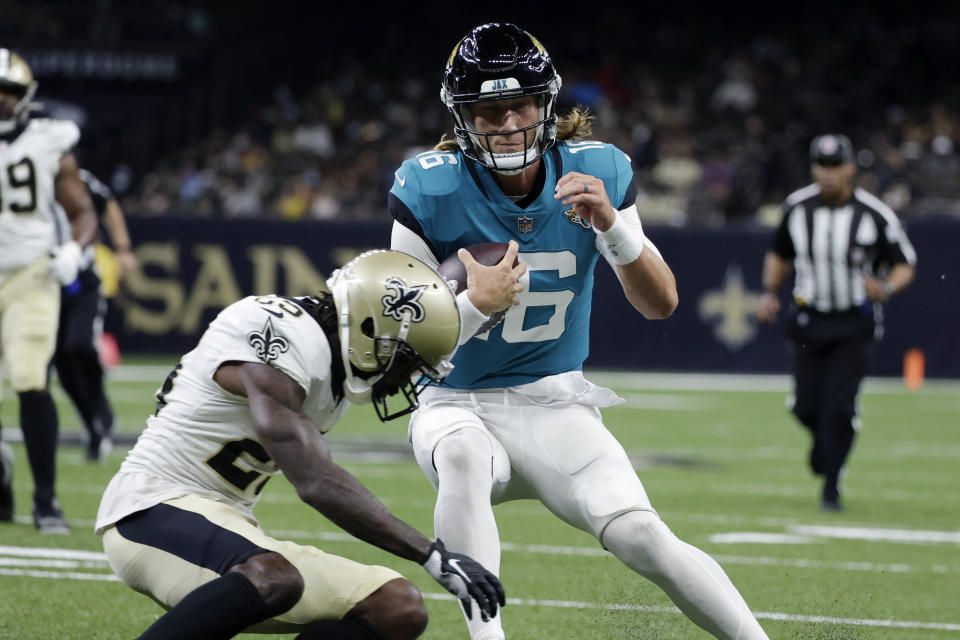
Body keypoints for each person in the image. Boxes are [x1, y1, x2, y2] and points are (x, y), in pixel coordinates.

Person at [388, 23, 769, 640]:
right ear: (464, 117)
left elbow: (661, 303)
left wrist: (615, 230)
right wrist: (472, 308)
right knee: (459, 455)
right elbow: (403, 349)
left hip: (554, 401)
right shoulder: (429, 186)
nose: (508, 123)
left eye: (521, 106)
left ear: (546, 105)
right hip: (455, 402)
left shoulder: (600, 170)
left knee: (642, 534)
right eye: (489, 110)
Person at [96, 249, 520, 640]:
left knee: (396, 606)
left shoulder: (339, 347)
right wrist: (431, 554)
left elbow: (411, 326)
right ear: (370, 330)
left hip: (228, 521)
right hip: (149, 510)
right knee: (273, 576)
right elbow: (314, 480)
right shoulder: (275, 329)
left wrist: (478, 300)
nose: (404, 376)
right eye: (403, 358)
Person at [757, 133, 917, 512]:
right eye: (821, 166)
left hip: (853, 323)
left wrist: (887, 289)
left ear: (850, 168)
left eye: (835, 166)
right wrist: (769, 292)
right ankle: (825, 447)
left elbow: (904, 264)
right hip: (809, 320)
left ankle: (831, 484)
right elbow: (779, 253)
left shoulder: (874, 214)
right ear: (813, 168)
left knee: (839, 407)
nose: (827, 174)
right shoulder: (796, 208)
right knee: (806, 408)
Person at [0, 48, 98, 533]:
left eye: (8, 92)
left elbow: (82, 210)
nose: (0, 100)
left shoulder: (47, 140)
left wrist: (74, 250)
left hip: (29, 272)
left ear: (25, 97)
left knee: (29, 375)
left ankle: (45, 501)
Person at [54, 168, 136, 461]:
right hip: (42, 284)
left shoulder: (78, 178)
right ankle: (93, 425)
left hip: (82, 279)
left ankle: (100, 404)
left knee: (81, 345)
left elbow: (107, 204)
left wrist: (123, 248)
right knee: (60, 365)